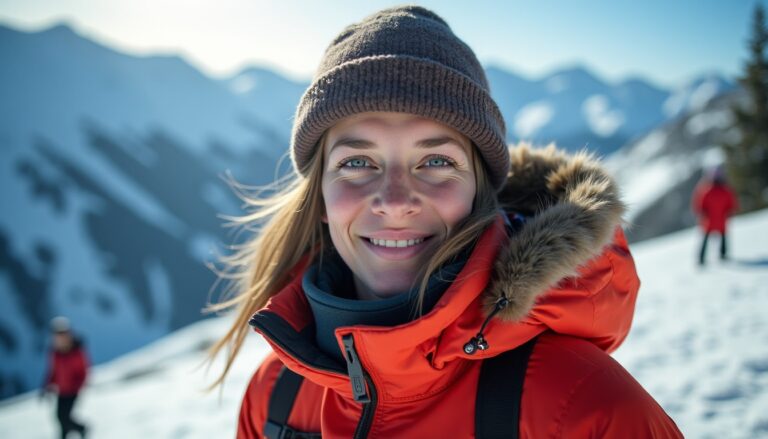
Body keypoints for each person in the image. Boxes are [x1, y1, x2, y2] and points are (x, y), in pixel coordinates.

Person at [206, 6, 683, 438]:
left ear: (479, 191)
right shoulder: (275, 398)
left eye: (435, 161)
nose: (394, 202)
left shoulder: (584, 409)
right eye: (356, 163)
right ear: (321, 198)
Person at [41, 316, 89, 439]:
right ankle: (77, 430)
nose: (60, 337)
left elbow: (83, 372)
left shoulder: (76, 352)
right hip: (61, 390)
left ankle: (82, 428)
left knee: (64, 417)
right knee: (60, 417)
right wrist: (46, 387)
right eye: (57, 334)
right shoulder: (55, 353)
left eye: (63, 333)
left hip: (72, 390)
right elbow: (53, 372)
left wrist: (78, 386)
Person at [691, 166, 738, 265]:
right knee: (710, 238)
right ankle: (703, 258)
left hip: (716, 220)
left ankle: (720, 255)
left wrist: (729, 212)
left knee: (720, 237)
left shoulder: (712, 190)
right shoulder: (709, 190)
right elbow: (700, 205)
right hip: (712, 220)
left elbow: (731, 203)